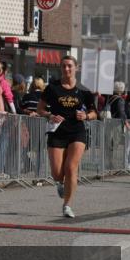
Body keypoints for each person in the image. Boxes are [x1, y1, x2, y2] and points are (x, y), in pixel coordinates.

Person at [37, 55, 97, 218]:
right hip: (57, 131)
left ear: (76, 68)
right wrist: (49, 115)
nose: (67, 69)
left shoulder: (84, 89)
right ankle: (59, 183)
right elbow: (40, 109)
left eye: (70, 66)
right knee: (57, 173)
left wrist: (86, 116)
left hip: (77, 131)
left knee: (71, 168)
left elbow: (94, 112)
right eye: (64, 66)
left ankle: (67, 205)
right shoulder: (53, 88)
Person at [109, 82, 130, 170]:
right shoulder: (120, 99)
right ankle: (112, 164)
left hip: (109, 122)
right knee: (114, 144)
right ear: (121, 90)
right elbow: (122, 113)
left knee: (110, 144)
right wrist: (126, 123)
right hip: (116, 125)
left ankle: (109, 163)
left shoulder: (110, 98)